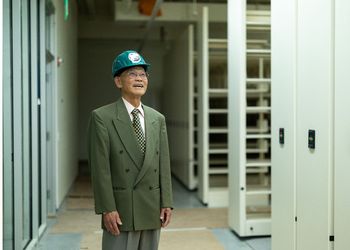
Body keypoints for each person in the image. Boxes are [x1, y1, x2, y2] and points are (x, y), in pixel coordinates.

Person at [87, 50, 173, 250]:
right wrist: (107, 208)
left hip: (152, 207)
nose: (139, 79)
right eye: (132, 74)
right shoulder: (102, 117)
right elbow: (100, 169)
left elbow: (163, 164)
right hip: (121, 210)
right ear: (118, 81)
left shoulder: (157, 118)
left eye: (143, 74)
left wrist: (166, 201)